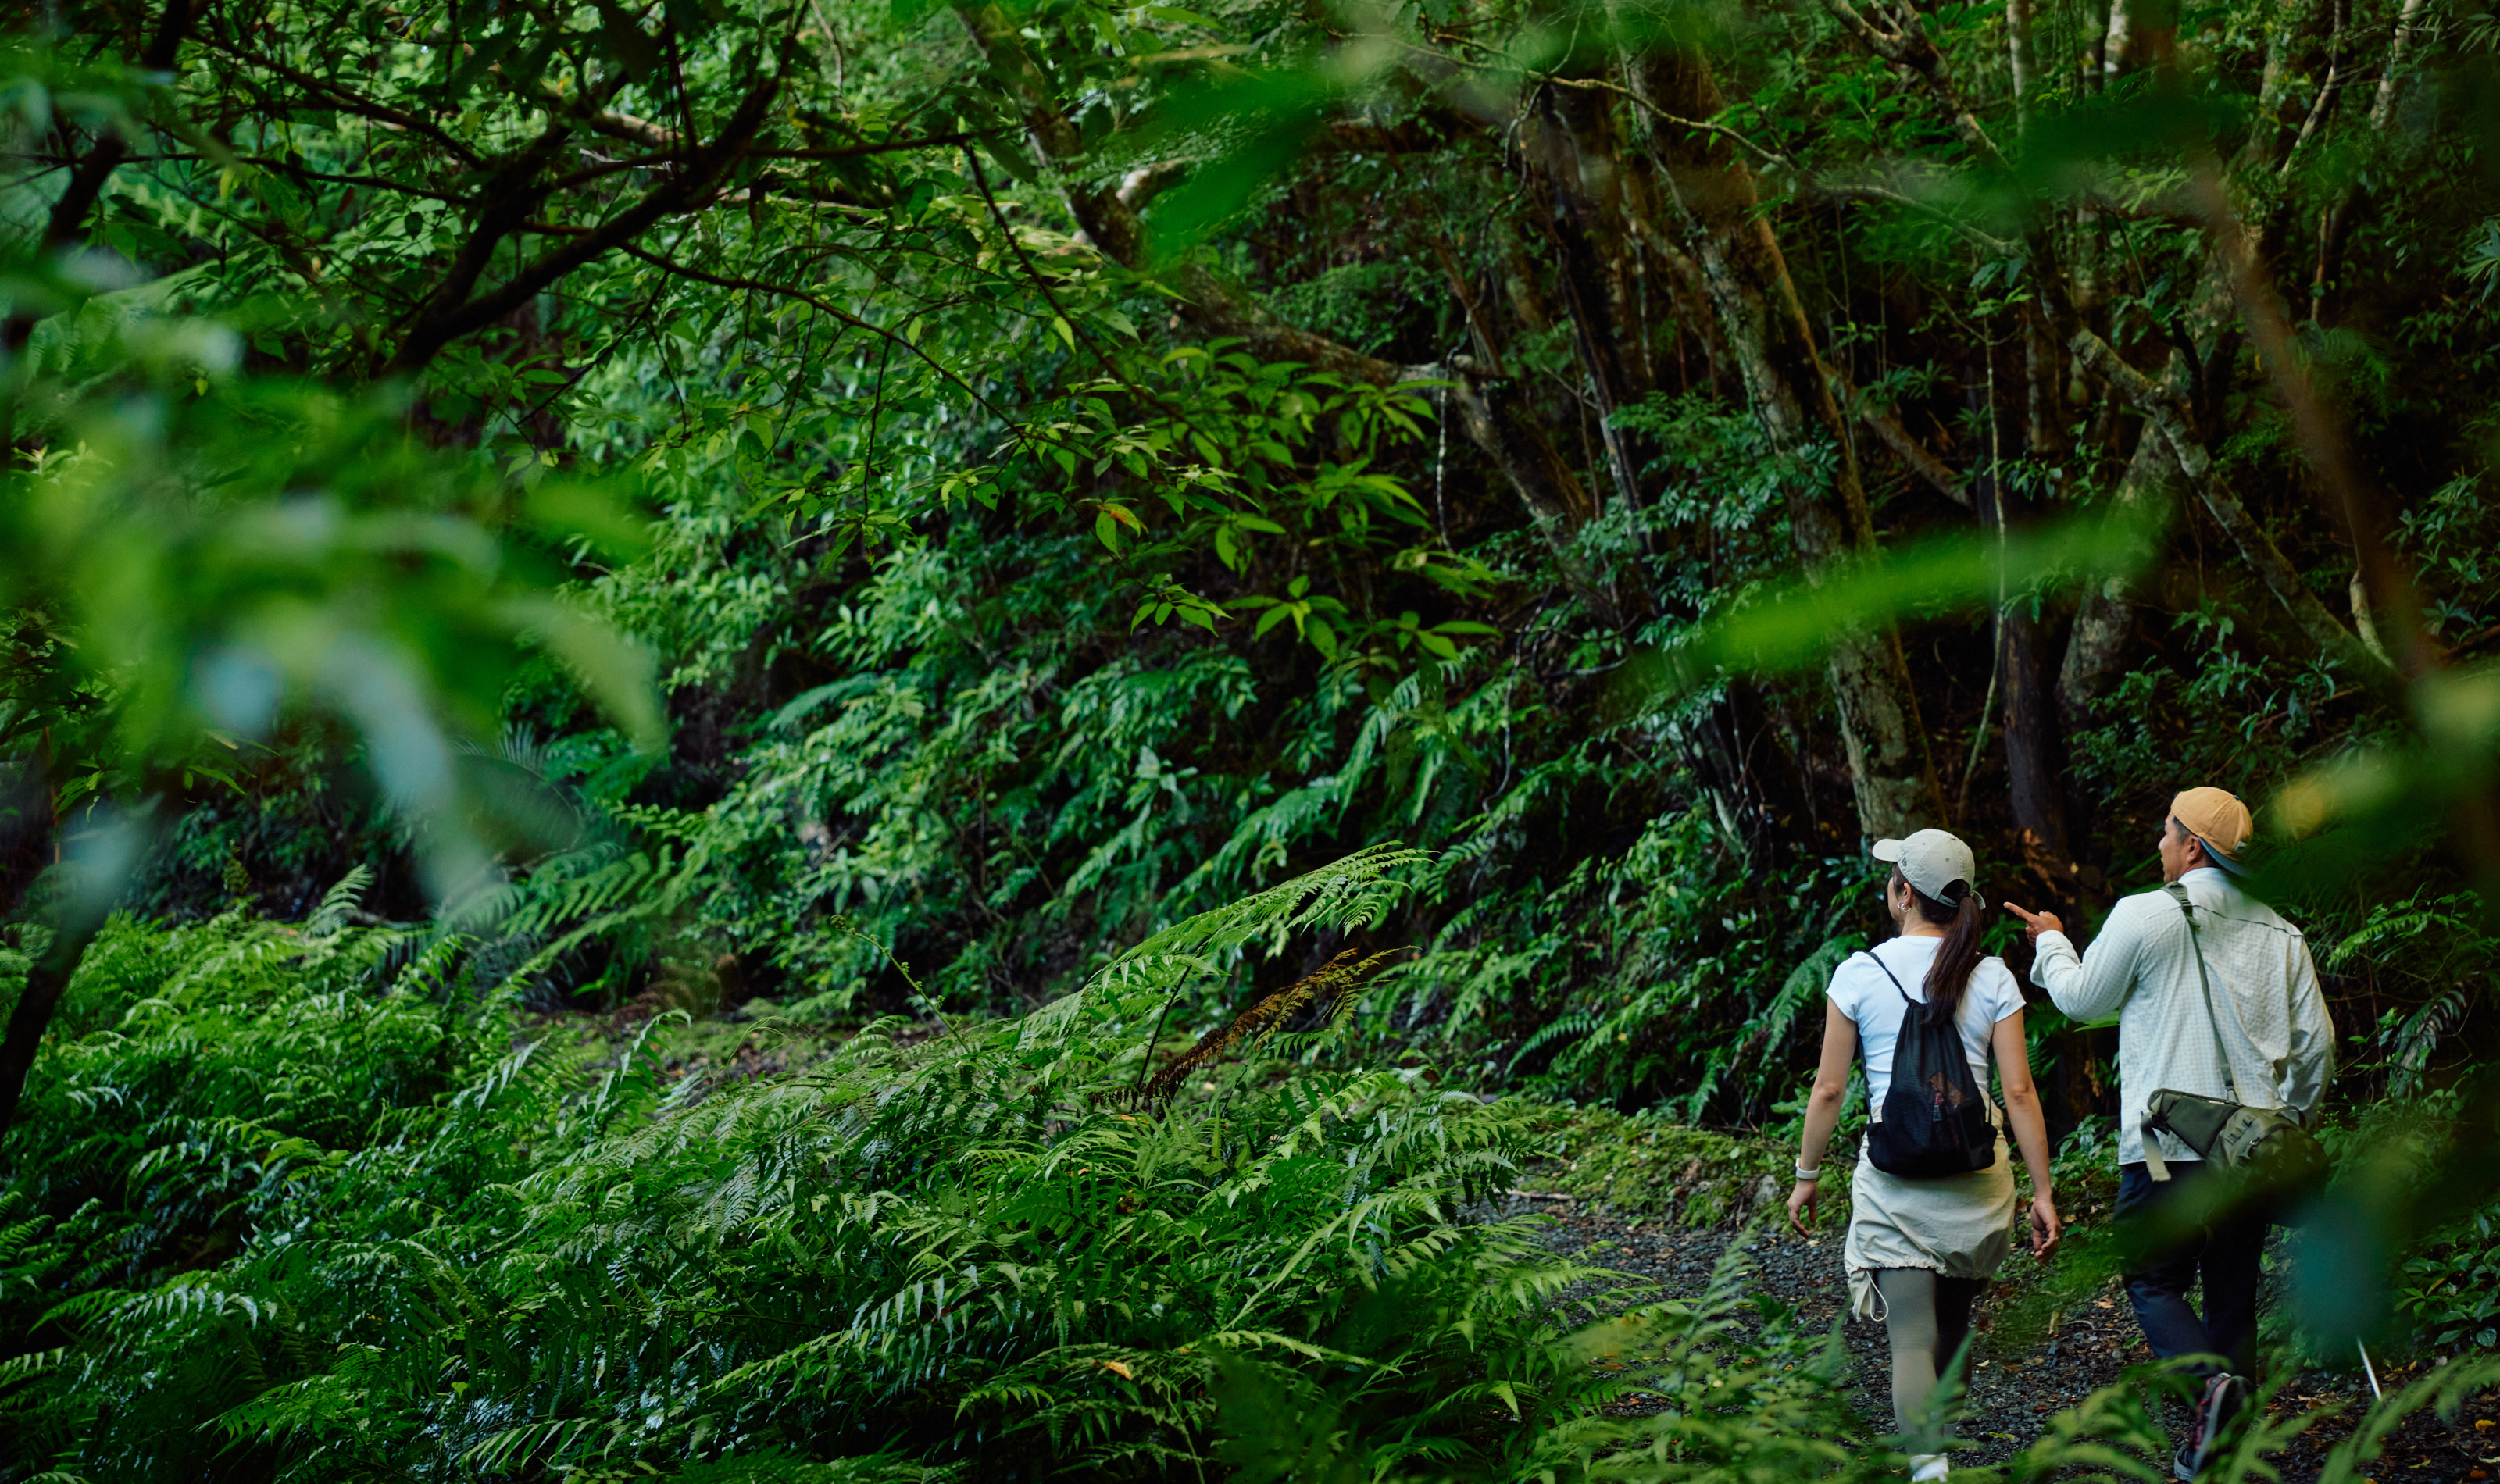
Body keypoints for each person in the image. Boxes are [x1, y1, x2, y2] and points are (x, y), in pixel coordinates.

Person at [2005, 787, 2334, 1482]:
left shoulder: (2146, 915)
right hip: (2253, 1149)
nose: (2158, 844)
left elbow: (2082, 999)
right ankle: (2224, 1451)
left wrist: (2052, 941)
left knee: (2153, 1277)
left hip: (2166, 1149)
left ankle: (2210, 1390)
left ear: (2192, 846)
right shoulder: (2281, 932)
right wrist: (2291, 1123)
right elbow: (2318, 1047)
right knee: (2232, 1291)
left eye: (2166, 833)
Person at [1789, 829, 2062, 1482]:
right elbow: (2019, 1092)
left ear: (1905, 894)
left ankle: (1930, 1466)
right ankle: (1945, 1438)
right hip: (1978, 1178)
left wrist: (1806, 1176)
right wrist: (2044, 1192)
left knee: (1910, 1336)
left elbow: (1829, 1089)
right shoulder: (1991, 973)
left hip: (1897, 1181)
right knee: (1955, 1322)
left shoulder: (1860, 972)